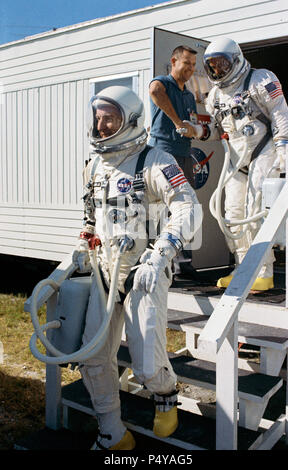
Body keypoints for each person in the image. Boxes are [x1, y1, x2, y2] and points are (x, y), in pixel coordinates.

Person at [72, 86, 202, 450]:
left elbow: (189, 208)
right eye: (97, 118)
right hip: (104, 273)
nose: (100, 126)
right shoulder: (95, 164)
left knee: (146, 367)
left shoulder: (156, 160)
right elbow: (90, 215)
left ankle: (165, 391)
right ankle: (112, 432)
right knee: (93, 359)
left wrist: (162, 252)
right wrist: (84, 243)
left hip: (145, 269)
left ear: (129, 120)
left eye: (108, 118)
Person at [187, 37, 288, 291]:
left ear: (235, 60)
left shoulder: (260, 79)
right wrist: (198, 131)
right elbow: (217, 129)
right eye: (212, 66)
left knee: (255, 212)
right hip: (236, 158)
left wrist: (283, 146)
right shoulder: (215, 95)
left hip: (263, 149)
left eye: (222, 64)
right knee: (233, 216)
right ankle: (243, 268)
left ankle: (264, 271)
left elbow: (280, 111)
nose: (218, 70)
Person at [149, 45, 204, 278]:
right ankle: (161, 263)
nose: (190, 69)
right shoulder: (163, 83)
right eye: (186, 64)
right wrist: (177, 122)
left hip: (185, 155)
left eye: (193, 65)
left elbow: (190, 123)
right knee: (161, 210)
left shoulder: (189, 95)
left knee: (188, 208)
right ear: (174, 61)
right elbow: (155, 91)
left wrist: (192, 130)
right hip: (164, 154)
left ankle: (184, 262)